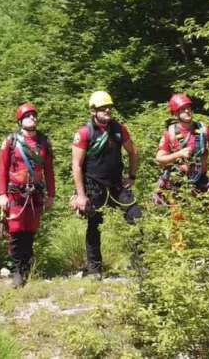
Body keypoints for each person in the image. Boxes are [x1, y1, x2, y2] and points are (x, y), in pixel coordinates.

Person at [70, 90, 142, 278]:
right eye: (103, 108)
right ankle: (94, 269)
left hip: (118, 185)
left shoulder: (119, 129)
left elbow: (134, 152)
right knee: (95, 225)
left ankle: (140, 264)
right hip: (94, 187)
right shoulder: (85, 133)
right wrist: (81, 195)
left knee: (136, 218)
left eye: (109, 107)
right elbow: (76, 166)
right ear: (93, 111)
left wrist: (132, 176)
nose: (108, 111)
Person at [153, 94, 209, 235]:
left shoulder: (203, 130)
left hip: (200, 179)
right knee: (178, 218)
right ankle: (180, 253)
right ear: (176, 113)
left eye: (189, 108)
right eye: (183, 109)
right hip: (177, 182)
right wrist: (178, 154)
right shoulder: (170, 134)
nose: (187, 111)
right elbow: (159, 159)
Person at [0, 103, 55, 287]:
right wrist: (2, 194)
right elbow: (2, 169)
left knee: (30, 232)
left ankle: (27, 268)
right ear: (20, 120)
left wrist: (51, 195)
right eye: (28, 116)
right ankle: (16, 271)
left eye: (34, 115)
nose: (32, 118)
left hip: (35, 193)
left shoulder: (44, 142)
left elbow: (49, 170)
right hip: (15, 194)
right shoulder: (11, 141)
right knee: (15, 231)